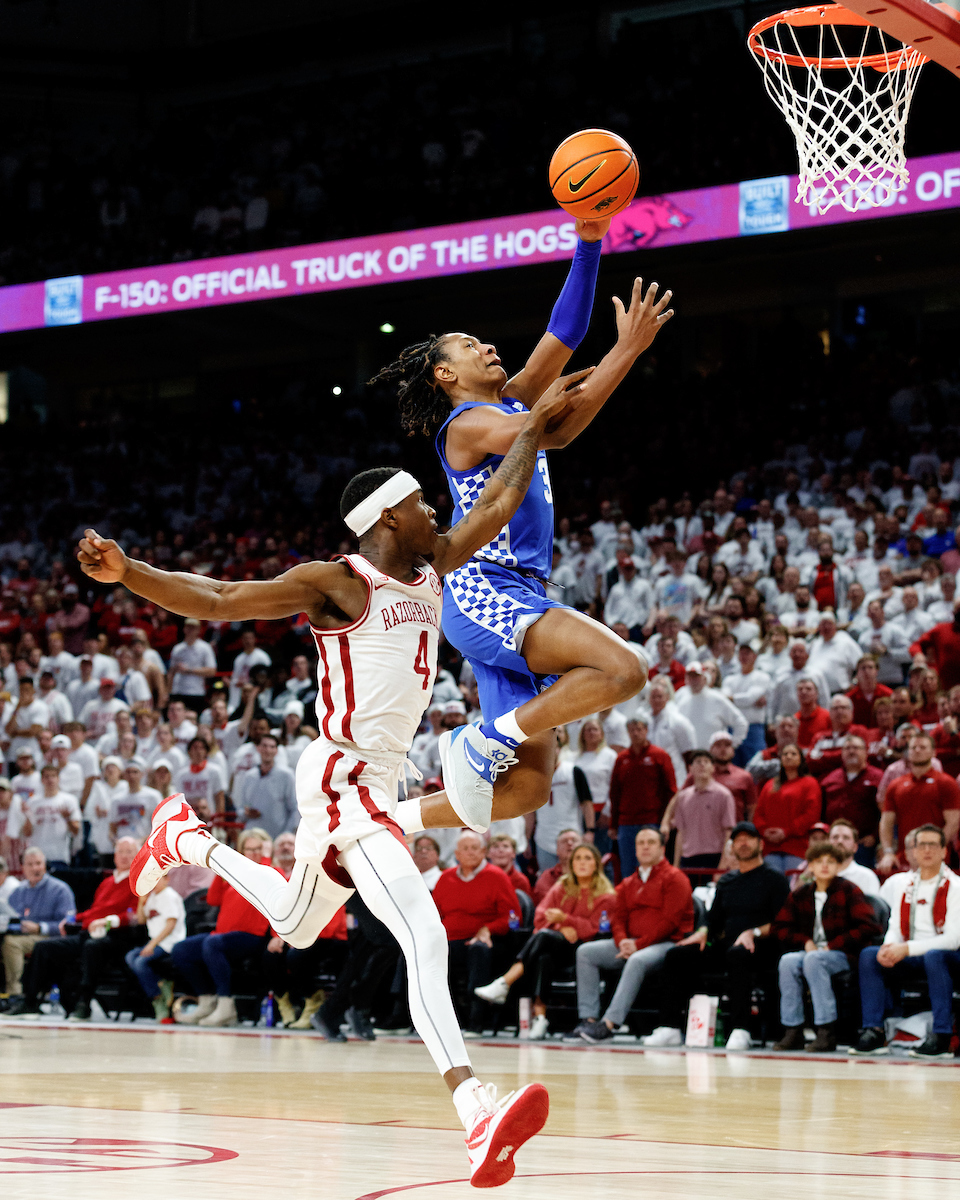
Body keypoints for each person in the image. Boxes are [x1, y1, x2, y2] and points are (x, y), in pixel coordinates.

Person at [78, 384, 571, 1185]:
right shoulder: (335, 582)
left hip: (373, 781)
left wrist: (534, 432)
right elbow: (219, 598)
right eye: (420, 505)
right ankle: (475, 1109)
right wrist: (130, 571)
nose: (436, 515)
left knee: (301, 925)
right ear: (386, 520)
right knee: (424, 931)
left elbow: (502, 499)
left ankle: (185, 836)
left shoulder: (436, 562)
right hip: (343, 780)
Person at [374, 261, 674, 830]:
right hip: (483, 586)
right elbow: (553, 430)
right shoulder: (464, 426)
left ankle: (389, 821)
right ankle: (481, 741)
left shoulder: (511, 399)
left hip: (511, 592)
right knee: (624, 669)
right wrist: (628, 349)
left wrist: (588, 240)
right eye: (469, 345)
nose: (487, 345)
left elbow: (566, 332)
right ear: (444, 373)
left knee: (527, 790)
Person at [642, 822, 790, 1050]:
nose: (743, 843)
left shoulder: (775, 879)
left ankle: (742, 1029)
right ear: (731, 847)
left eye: (748, 838)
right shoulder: (727, 881)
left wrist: (754, 931)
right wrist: (702, 933)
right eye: (738, 839)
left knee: (738, 955)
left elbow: (783, 921)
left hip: (763, 947)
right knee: (677, 955)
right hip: (727, 946)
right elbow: (712, 920)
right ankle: (669, 1027)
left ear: (760, 844)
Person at [474, 842, 615, 1041]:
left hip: (584, 951)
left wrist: (565, 920)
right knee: (543, 955)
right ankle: (540, 1019)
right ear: (571, 863)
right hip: (555, 945)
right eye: (578, 858)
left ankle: (505, 983)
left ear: (596, 864)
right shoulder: (561, 887)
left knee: (543, 938)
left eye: (587, 858)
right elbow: (540, 918)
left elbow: (595, 929)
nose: (582, 863)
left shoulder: (607, 895)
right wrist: (561, 927)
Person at [573, 826, 693, 1042]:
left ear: (662, 848)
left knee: (637, 960)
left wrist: (637, 945)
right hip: (631, 944)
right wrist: (622, 942)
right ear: (635, 850)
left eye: (651, 843)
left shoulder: (676, 879)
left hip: (666, 944)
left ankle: (609, 1024)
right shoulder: (629, 882)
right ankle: (588, 1020)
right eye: (640, 843)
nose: (645, 847)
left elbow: (669, 923)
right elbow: (617, 918)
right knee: (585, 952)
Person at [853, 824, 960, 1059]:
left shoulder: (955, 886)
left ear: (944, 851)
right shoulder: (906, 885)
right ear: (913, 851)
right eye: (921, 845)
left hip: (948, 958)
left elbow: (952, 939)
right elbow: (893, 927)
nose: (927, 850)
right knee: (870, 955)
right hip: (910, 955)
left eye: (933, 844)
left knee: (935, 956)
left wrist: (906, 948)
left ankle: (941, 1035)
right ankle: (874, 1031)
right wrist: (888, 947)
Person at [6, 837, 142, 1019]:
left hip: (118, 936)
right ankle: (30, 1001)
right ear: (114, 856)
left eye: (129, 852)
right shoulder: (107, 882)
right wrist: (69, 919)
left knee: (91, 947)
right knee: (45, 947)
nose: (124, 856)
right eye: (120, 852)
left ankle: (84, 1002)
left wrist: (108, 921)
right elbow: (93, 912)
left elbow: (135, 915)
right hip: (91, 932)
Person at [771, 841, 880, 1053]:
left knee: (814, 960)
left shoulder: (849, 890)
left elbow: (869, 926)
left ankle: (826, 1030)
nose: (824, 866)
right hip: (812, 951)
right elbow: (779, 928)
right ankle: (793, 1029)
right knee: (787, 961)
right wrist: (805, 941)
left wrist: (833, 945)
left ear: (839, 866)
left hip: (843, 954)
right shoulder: (800, 894)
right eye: (819, 861)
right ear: (809, 866)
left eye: (831, 862)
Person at [171, 828, 277, 1028]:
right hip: (223, 935)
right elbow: (213, 899)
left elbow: (269, 885)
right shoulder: (236, 873)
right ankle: (206, 999)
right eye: (248, 849)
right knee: (181, 950)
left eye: (258, 849)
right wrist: (221, 870)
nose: (252, 853)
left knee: (213, 943)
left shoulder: (271, 871)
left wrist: (266, 858)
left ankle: (226, 1005)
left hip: (252, 936)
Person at [432, 831, 518, 1037]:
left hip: (486, 941)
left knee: (478, 950)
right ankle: (440, 1021)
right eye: (465, 849)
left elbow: (512, 917)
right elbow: (433, 914)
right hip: (450, 940)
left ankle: (476, 1022)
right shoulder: (445, 878)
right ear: (456, 854)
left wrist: (488, 929)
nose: (470, 853)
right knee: (428, 952)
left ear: (484, 852)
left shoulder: (497, 876)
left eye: (474, 848)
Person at [878, 732, 960, 873]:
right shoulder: (896, 785)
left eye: (922, 747)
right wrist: (888, 852)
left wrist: (933, 848)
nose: (917, 750)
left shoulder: (946, 783)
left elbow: (953, 822)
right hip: (905, 858)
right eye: (913, 747)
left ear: (933, 752)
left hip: (937, 859)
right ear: (907, 752)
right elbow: (886, 822)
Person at [2, 847, 76, 1000]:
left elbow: (69, 924)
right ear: (22, 868)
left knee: (11, 944)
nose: (34, 868)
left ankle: (15, 992)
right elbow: (8, 915)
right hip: (20, 934)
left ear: (45, 865)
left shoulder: (60, 889)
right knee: (7, 940)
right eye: (30, 864)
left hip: (49, 937)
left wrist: (40, 927)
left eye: (38, 863)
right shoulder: (18, 891)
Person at [608, 717, 676, 878]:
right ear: (627, 733)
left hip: (652, 821)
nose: (636, 733)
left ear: (646, 730)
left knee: (652, 867)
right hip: (626, 823)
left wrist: (666, 821)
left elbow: (672, 791)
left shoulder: (660, 755)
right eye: (632, 730)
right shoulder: (621, 759)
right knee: (628, 869)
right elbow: (614, 793)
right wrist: (614, 824)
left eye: (639, 729)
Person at [124, 873, 186, 1021]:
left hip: (170, 942)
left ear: (167, 879)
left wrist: (152, 945)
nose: (155, 882)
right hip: (155, 942)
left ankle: (157, 999)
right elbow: (140, 920)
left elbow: (171, 925)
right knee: (130, 957)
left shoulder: (169, 896)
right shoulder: (152, 897)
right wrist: (141, 902)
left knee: (140, 962)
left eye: (159, 878)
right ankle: (162, 986)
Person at [752, 744, 823, 874]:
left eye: (793, 754)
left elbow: (811, 814)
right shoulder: (770, 784)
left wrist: (787, 831)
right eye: (785, 754)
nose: (788, 756)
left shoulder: (810, 783)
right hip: (770, 847)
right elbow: (758, 813)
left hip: (797, 847)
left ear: (801, 759)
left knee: (794, 887)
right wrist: (764, 830)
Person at [669, 751, 736, 872]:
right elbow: (680, 832)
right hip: (688, 857)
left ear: (713, 768)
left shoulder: (724, 795)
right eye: (698, 762)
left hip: (714, 856)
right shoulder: (683, 797)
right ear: (690, 768)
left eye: (706, 762)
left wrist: (722, 865)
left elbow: (728, 832)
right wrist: (676, 865)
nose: (702, 765)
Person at [7, 765, 81, 871]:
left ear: (58, 779)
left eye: (53, 776)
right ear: (42, 780)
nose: (50, 780)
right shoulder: (32, 802)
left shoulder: (69, 800)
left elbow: (76, 831)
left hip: (59, 855)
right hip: (38, 855)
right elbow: (27, 833)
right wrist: (26, 815)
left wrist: (67, 819)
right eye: (46, 777)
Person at [533, 742, 594, 869]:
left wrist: (590, 830)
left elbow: (586, 803)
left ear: (559, 749)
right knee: (548, 879)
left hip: (571, 835)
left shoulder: (573, 771)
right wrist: (527, 837)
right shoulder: (534, 777)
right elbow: (529, 812)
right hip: (544, 837)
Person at [820, 736, 883, 854]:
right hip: (834, 843)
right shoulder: (830, 778)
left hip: (864, 843)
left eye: (856, 748)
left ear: (865, 752)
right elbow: (821, 810)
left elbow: (884, 811)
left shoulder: (878, 777)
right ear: (842, 753)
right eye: (847, 748)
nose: (851, 751)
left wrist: (875, 836)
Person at [233, 733, 298, 838]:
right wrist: (246, 813)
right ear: (258, 749)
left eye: (272, 747)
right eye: (264, 746)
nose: (267, 750)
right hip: (253, 835)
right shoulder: (249, 776)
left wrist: (287, 834)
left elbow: (294, 808)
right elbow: (240, 808)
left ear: (276, 751)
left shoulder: (286, 775)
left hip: (277, 835)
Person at [673, 660, 748, 751]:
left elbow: (741, 723)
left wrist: (731, 746)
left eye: (697, 676)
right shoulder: (680, 696)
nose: (693, 680)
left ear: (704, 678)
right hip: (688, 756)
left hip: (712, 757)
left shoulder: (717, 698)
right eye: (690, 676)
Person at [722, 642, 771, 766]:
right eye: (741, 653)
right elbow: (725, 699)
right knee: (731, 766)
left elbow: (749, 698)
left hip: (753, 728)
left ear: (754, 656)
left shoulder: (762, 677)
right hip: (732, 728)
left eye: (748, 653)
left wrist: (732, 699)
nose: (744, 656)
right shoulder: (730, 679)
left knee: (756, 766)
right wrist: (747, 701)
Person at [807, 694, 870, 778]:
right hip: (822, 782)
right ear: (829, 712)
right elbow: (810, 761)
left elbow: (858, 757)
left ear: (852, 711)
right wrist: (839, 757)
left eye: (843, 708)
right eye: (835, 708)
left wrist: (822, 756)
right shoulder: (819, 737)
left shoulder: (858, 731)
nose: (839, 711)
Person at [167, 617, 217, 714]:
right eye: (188, 627)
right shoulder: (177, 648)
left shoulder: (205, 648)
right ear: (184, 629)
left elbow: (212, 671)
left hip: (195, 692)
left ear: (199, 630)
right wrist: (168, 692)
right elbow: (171, 672)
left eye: (193, 628)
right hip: (178, 691)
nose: (190, 630)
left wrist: (189, 670)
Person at [173, 736, 227, 817]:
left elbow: (219, 796)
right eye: (195, 748)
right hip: (188, 818)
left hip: (209, 817)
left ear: (206, 752)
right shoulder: (182, 775)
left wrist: (220, 817)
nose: (198, 751)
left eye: (201, 748)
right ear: (189, 752)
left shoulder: (214, 771)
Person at [828, 819, 881, 895]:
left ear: (855, 847)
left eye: (846, 837)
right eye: (835, 837)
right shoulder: (818, 875)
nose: (840, 841)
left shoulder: (867, 877)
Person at [533, 829, 581, 901]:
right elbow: (547, 902)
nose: (570, 843)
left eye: (574, 840)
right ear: (557, 850)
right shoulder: (548, 876)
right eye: (564, 841)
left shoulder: (593, 876)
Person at [846, 656, 893, 728]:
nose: (866, 671)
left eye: (870, 667)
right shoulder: (849, 698)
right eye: (863, 668)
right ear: (857, 673)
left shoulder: (888, 694)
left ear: (876, 671)